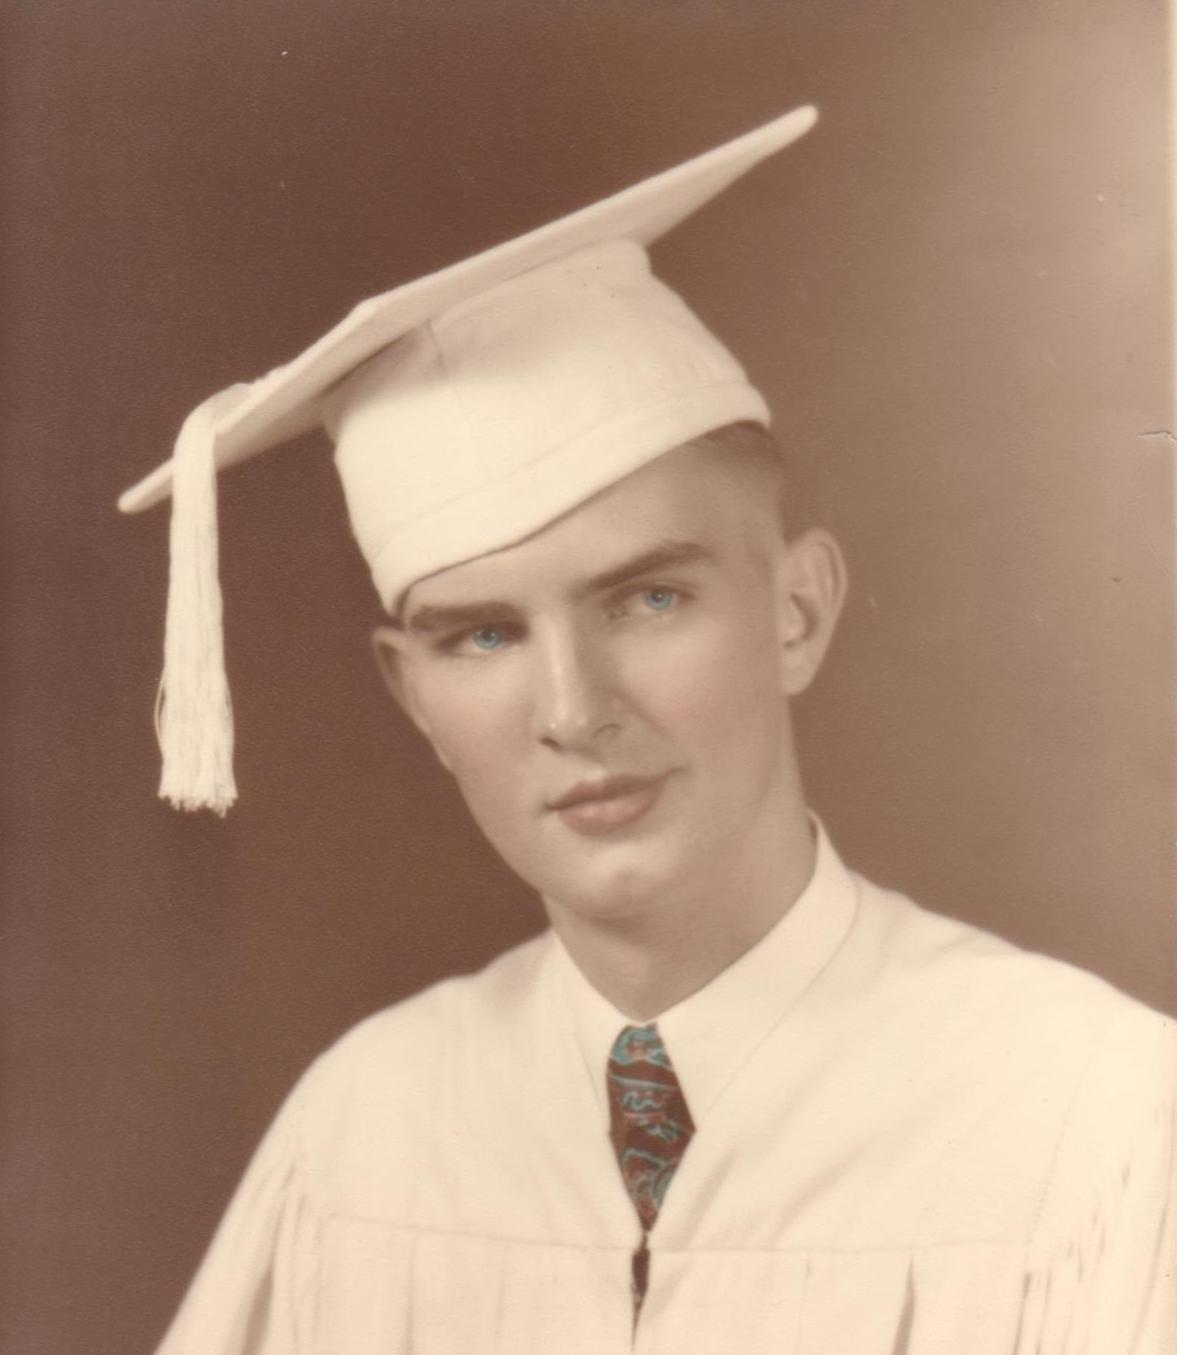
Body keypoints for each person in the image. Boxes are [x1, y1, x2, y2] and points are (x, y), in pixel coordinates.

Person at [120, 106, 1175, 1354]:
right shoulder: (365, 1126)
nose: (574, 710)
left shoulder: (1094, 1116)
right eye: (483, 636)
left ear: (795, 611)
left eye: (649, 599)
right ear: (412, 697)